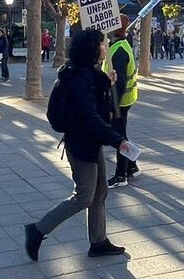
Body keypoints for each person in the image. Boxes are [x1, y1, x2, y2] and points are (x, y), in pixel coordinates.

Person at [24, 28, 130, 261]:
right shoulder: (80, 78)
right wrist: (118, 141)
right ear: (93, 49)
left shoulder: (87, 72)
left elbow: (96, 91)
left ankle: (98, 241)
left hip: (90, 143)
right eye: (103, 44)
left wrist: (108, 81)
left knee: (100, 192)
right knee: (84, 196)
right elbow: (90, 116)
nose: (106, 48)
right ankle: (38, 229)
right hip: (80, 145)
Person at [108, 16, 140, 188]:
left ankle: (121, 175)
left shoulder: (119, 50)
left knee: (118, 137)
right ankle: (132, 167)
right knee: (120, 133)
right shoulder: (119, 45)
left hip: (120, 102)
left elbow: (118, 83)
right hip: (124, 100)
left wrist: (113, 107)